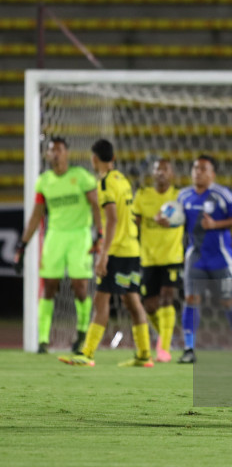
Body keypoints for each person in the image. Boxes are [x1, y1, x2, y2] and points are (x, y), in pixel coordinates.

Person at [59, 139, 153, 367]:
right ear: (113, 158)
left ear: (94, 158)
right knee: (132, 301)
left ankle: (87, 353)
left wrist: (103, 255)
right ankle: (144, 355)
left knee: (101, 301)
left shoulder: (105, 184)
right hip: (132, 249)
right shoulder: (122, 180)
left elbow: (111, 219)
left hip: (117, 251)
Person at [14, 136, 102, 354]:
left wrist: (98, 234)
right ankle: (43, 339)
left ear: (66, 153)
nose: (55, 154)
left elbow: (96, 206)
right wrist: (23, 245)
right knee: (49, 286)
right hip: (55, 236)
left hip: (79, 235)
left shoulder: (81, 177)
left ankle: (81, 333)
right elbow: (36, 215)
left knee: (80, 287)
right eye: (52, 150)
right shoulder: (44, 181)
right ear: (48, 154)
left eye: (59, 150)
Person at [171, 155, 232, 364]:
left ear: (212, 174)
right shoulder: (183, 196)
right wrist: (166, 221)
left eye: (203, 169)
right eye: (195, 168)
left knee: (228, 300)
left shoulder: (222, 195)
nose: (198, 172)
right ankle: (189, 349)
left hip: (220, 258)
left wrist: (215, 225)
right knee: (191, 299)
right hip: (195, 257)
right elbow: (177, 220)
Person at [132, 158, 184, 363]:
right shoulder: (142, 196)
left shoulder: (179, 197)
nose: (161, 173)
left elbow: (190, 219)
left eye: (165, 169)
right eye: (157, 169)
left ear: (171, 174)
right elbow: (133, 224)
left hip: (172, 256)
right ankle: (165, 335)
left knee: (167, 297)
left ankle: (163, 348)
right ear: (152, 174)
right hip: (148, 258)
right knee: (150, 306)